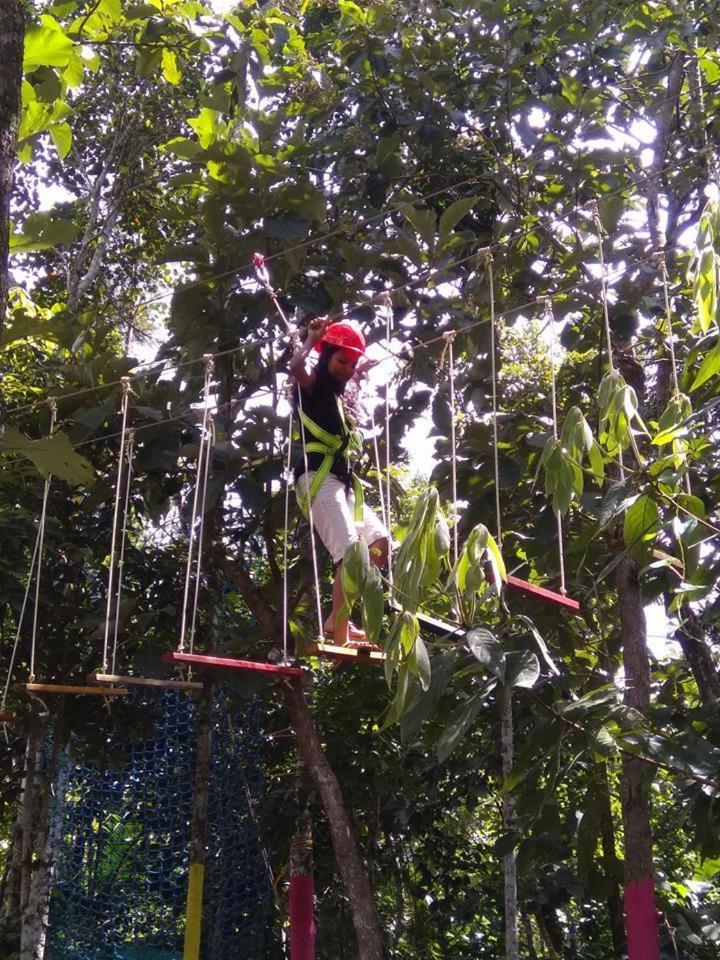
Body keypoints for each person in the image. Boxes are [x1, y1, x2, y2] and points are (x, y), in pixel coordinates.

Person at [289, 318, 389, 649]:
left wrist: (361, 371)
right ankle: (342, 635)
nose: (347, 368)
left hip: (342, 483)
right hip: (317, 478)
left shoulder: (338, 396)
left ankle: (336, 620)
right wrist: (310, 340)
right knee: (349, 555)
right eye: (341, 360)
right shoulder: (312, 383)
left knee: (378, 545)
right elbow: (295, 367)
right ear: (327, 355)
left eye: (352, 362)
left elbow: (346, 382)